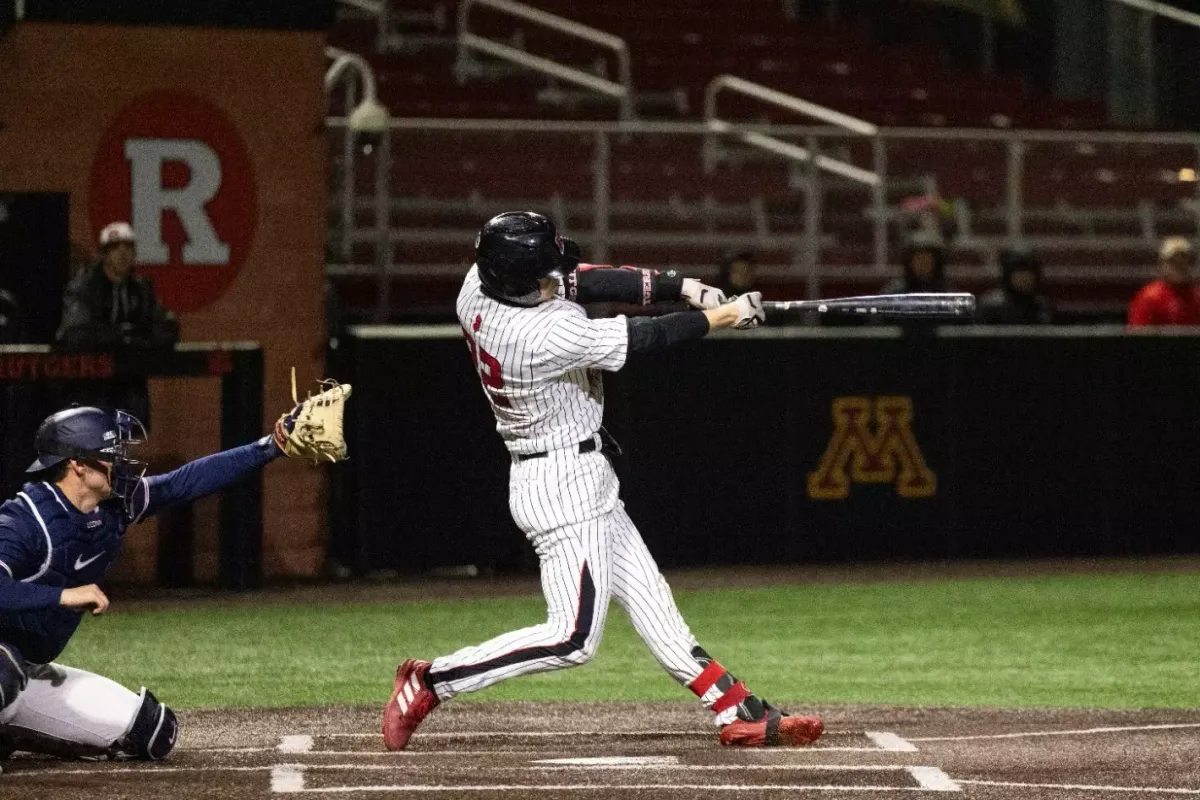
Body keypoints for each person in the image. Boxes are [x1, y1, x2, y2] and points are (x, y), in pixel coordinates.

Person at [382, 211, 823, 751]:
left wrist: (682, 287)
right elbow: (643, 339)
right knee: (572, 639)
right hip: (560, 485)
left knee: (652, 602)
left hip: (578, 469)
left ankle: (737, 708)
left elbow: (582, 278)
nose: (554, 280)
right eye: (542, 275)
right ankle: (432, 681)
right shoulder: (542, 332)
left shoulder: (478, 284)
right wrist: (726, 315)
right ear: (516, 281)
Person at [0, 389, 346, 766]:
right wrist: (62, 597)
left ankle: (12, 731)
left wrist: (271, 445)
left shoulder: (114, 505)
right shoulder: (24, 520)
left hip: (26, 671)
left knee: (151, 732)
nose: (121, 461)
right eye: (111, 454)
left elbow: (184, 482)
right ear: (78, 464)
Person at [55, 223, 180, 426]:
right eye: (115, 248)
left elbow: (166, 329)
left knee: (123, 440)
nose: (123, 254)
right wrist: (121, 336)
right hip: (89, 383)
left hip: (127, 382)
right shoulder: (84, 287)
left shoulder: (140, 289)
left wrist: (133, 338)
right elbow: (74, 334)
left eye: (128, 248)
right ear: (103, 254)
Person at [1128, 237, 1200, 327]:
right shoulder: (1149, 297)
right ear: (1162, 265)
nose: (1179, 267)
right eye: (1174, 262)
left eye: (1184, 262)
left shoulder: (1197, 297)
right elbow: (1138, 336)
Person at [976, 244, 1055, 325]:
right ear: (1007, 274)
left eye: (1029, 271)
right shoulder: (991, 306)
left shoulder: (1041, 306)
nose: (1024, 277)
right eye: (1019, 271)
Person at [881, 231, 949, 295]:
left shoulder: (946, 293)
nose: (923, 263)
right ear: (910, 262)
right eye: (919, 258)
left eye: (927, 258)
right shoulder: (895, 293)